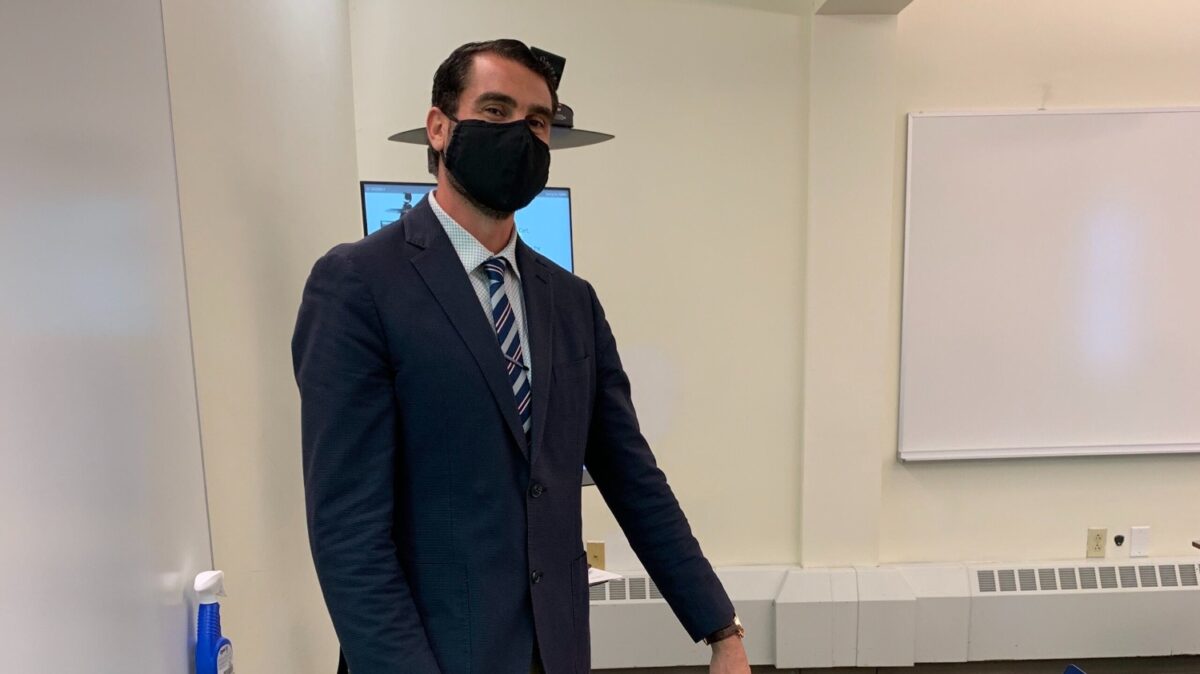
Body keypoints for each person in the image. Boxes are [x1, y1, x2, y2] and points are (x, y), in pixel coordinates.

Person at [292, 38, 749, 674]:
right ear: (440, 127)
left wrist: (720, 628)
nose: (520, 134)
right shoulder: (360, 284)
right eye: (497, 110)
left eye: (536, 121)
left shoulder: (572, 303)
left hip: (555, 654)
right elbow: (348, 532)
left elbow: (632, 476)